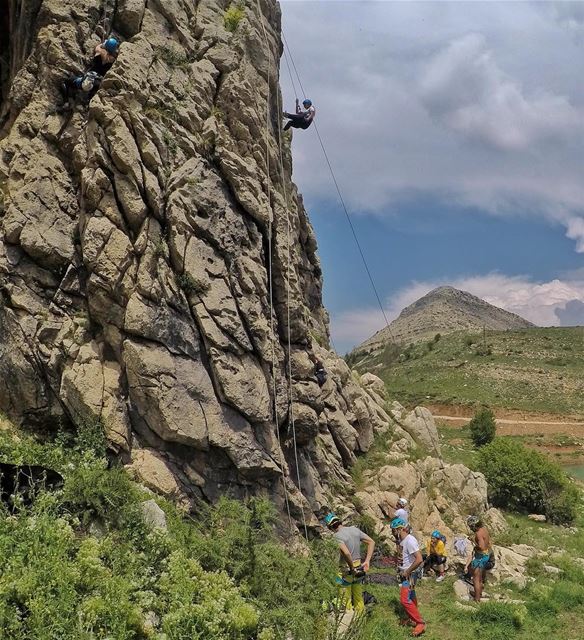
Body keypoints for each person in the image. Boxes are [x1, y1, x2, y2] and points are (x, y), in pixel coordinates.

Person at [324, 512, 375, 614]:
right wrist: (367, 561)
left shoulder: (337, 536)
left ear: (330, 527)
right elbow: (371, 542)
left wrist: (352, 568)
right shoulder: (354, 530)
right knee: (358, 596)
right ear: (340, 522)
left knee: (344, 598)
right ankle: (360, 618)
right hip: (359, 567)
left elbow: (346, 553)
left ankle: (348, 621)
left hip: (346, 570)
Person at [61, 38, 120, 108]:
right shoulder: (113, 60)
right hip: (98, 83)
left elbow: (98, 47)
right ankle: (86, 104)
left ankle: (66, 102)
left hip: (89, 79)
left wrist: (103, 44)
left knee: (65, 82)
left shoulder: (99, 52)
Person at [391, 518, 425, 637]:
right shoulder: (402, 540)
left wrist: (407, 571)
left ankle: (420, 623)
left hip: (410, 574)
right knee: (411, 595)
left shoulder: (410, 540)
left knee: (405, 599)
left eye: (393, 530)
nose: (392, 532)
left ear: (400, 529)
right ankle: (412, 619)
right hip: (406, 573)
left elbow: (419, 559)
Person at [465, 515, 494, 602]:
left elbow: (481, 547)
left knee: (476, 579)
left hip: (481, 556)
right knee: (480, 577)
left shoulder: (478, 534)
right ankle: (479, 593)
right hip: (486, 555)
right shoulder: (484, 529)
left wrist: (473, 540)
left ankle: (477, 599)